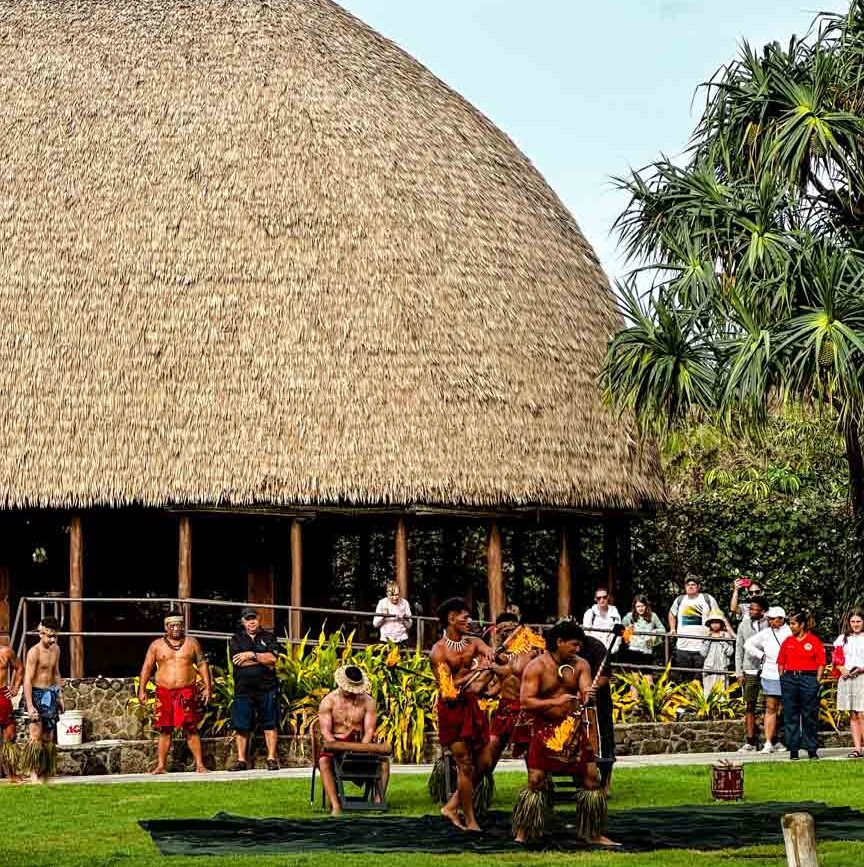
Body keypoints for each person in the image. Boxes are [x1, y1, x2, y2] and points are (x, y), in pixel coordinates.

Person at [512, 620, 617, 846]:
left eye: (579, 645)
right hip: (545, 729)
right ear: (559, 642)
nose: (578, 649)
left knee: (591, 778)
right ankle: (524, 830)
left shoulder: (581, 665)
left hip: (574, 729)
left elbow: (586, 693)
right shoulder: (537, 666)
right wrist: (555, 701)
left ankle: (593, 832)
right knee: (536, 780)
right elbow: (526, 702)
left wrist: (588, 695)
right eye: (574, 645)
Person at [429, 597, 494, 832]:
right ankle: (470, 819)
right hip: (452, 708)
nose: (469, 620)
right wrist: (475, 672)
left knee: (484, 762)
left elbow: (492, 656)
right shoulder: (438, 651)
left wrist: (493, 658)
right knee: (465, 764)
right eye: (465, 617)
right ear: (451, 618)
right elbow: (447, 689)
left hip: (473, 706)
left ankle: (451, 806)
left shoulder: (475, 642)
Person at [138, 614, 212, 774]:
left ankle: (200, 765)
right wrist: (141, 689)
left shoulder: (192, 643)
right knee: (165, 729)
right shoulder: (156, 645)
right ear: (166, 627)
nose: (176, 628)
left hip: (187, 691)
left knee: (191, 727)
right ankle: (161, 766)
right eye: (172, 625)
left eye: (179, 625)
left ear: (182, 626)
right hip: (164, 692)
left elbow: (202, 665)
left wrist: (208, 687)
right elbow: (147, 667)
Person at [317, 664, 387, 816]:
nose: (351, 692)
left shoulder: (368, 701)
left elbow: (369, 730)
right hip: (336, 745)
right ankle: (336, 805)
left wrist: (361, 750)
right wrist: (337, 747)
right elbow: (326, 732)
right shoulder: (328, 701)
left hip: (360, 744)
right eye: (348, 689)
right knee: (323, 761)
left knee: (384, 762)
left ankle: (378, 801)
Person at [484, 614, 543, 772]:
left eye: (511, 629)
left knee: (529, 753)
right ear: (497, 631)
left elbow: (512, 671)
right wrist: (486, 693)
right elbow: (501, 683)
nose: (507, 633)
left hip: (524, 707)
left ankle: (538, 783)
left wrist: (492, 666)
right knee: (492, 747)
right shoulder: (497, 653)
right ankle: (480, 781)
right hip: (505, 708)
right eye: (503, 629)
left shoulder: (530, 650)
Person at [228, 608, 282, 771]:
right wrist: (263, 659)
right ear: (243, 622)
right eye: (248, 619)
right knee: (241, 726)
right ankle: (241, 760)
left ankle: (271, 759)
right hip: (243, 689)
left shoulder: (269, 637)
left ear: (258, 619)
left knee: (270, 724)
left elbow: (273, 660)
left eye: (254, 618)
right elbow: (238, 662)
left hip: (267, 688)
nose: (251, 622)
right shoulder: (236, 639)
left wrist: (251, 654)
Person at [777, 611, 826, 760]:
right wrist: (783, 677)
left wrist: (817, 680)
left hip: (808, 678)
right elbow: (781, 661)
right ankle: (793, 750)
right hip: (790, 678)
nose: (791, 626)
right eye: (790, 624)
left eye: (793, 623)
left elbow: (821, 663)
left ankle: (811, 749)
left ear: (802, 625)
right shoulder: (788, 641)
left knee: (809, 715)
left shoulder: (814, 641)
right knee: (790, 715)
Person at [744, 606, 790, 753]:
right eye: (769, 619)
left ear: (781, 619)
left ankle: (789, 741)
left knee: (789, 708)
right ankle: (769, 742)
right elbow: (748, 644)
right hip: (770, 673)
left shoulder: (790, 631)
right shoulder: (766, 633)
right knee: (770, 707)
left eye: (773, 619)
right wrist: (761, 655)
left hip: (789, 673)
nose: (770, 622)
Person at [22, 617, 63, 782]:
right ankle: (34, 774)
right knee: (35, 736)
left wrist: (59, 696)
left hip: (50, 694)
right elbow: (27, 680)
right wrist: (30, 705)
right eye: (50, 636)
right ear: (41, 634)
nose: (52, 640)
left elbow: (56, 673)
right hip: (36, 694)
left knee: (48, 737)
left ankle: (46, 772)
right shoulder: (34, 652)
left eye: (55, 636)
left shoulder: (56, 650)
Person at [668, 575, 723, 681]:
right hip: (683, 647)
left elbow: (718, 616)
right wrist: (672, 628)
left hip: (703, 647)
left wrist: (718, 631)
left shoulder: (707, 599)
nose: (690, 587)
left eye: (693, 584)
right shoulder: (679, 600)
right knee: (684, 679)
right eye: (688, 585)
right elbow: (671, 613)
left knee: (701, 679)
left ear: (698, 586)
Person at [734, 595, 768, 751]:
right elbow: (739, 648)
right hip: (749, 669)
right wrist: (738, 672)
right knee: (750, 705)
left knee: (770, 705)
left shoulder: (769, 624)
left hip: (768, 668)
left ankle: (772, 740)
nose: (752, 611)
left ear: (763, 611)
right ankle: (750, 741)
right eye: (751, 608)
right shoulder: (743, 625)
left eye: (755, 609)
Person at [833, 608, 864, 758]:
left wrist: (861, 668)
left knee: (862, 713)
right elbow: (836, 658)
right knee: (853, 713)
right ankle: (857, 748)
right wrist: (841, 668)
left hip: (862, 676)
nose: (855, 624)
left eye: (858, 621)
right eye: (853, 621)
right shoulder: (843, 638)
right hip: (847, 677)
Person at [620, 595, 665, 693]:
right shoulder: (629, 616)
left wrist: (654, 632)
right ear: (634, 607)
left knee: (648, 678)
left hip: (646, 650)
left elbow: (662, 629)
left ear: (646, 606)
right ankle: (634, 701)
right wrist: (628, 630)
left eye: (642, 606)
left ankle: (650, 701)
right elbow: (621, 627)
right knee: (635, 680)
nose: (640, 608)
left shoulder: (653, 616)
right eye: (638, 606)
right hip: (633, 649)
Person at [0, 641, 23, 780]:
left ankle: (12, 774)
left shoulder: (6, 652)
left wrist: (15, 687)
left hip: (2, 695)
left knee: (10, 735)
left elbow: (19, 668)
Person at [702, 609, 734, 694]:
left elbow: (730, 652)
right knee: (708, 688)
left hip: (722, 666)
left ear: (721, 623)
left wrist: (723, 641)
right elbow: (703, 653)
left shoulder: (726, 635)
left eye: (717, 622)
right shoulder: (706, 635)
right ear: (709, 624)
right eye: (712, 622)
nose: (715, 625)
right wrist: (708, 641)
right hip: (709, 667)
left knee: (722, 689)